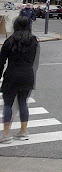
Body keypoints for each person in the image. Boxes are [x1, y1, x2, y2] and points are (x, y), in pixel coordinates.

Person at [1, 15, 40, 143]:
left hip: (11, 75)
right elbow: (35, 61)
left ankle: (6, 135)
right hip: (27, 75)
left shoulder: (9, 41)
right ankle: (23, 132)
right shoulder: (34, 41)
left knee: (8, 104)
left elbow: (1, 62)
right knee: (23, 102)